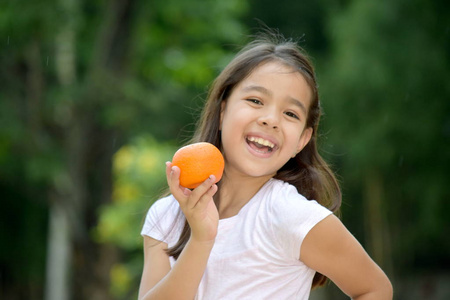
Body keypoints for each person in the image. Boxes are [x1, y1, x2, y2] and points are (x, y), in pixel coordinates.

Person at [138, 33, 393, 300]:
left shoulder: (293, 216)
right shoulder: (166, 216)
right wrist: (201, 240)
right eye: (256, 101)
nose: (270, 120)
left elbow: (374, 289)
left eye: (290, 114)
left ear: (302, 140)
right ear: (223, 112)